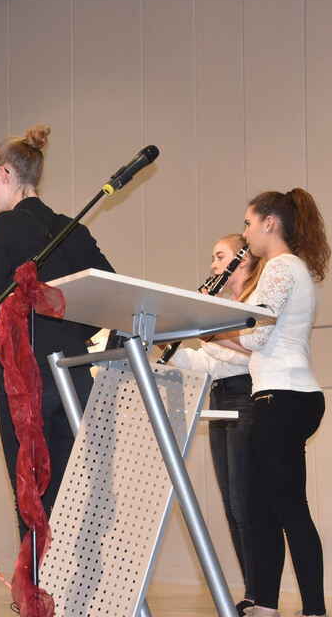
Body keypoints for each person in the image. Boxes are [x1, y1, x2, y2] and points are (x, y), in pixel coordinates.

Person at [0, 124, 113, 538]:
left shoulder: (7, 226)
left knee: (32, 497)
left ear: (7, 175)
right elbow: (108, 297)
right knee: (73, 492)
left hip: (26, 381)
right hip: (74, 377)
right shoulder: (74, 229)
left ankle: (37, 593)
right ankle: (75, 592)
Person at [215, 189, 330, 617]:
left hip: (283, 398)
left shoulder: (280, 267)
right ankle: (264, 602)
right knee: (264, 506)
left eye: (248, 223)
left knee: (288, 508)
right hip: (286, 395)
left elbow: (258, 336)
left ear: (269, 223)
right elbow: (263, 342)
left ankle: (315, 610)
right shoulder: (287, 268)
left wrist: (213, 331)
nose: (245, 233)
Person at [167, 234, 261, 616]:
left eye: (220, 257)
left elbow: (251, 355)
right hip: (220, 397)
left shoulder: (254, 303)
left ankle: (261, 593)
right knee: (230, 504)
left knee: (245, 504)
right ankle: (254, 592)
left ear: (243, 261)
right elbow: (210, 363)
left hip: (246, 398)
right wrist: (169, 347)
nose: (212, 266)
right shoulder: (221, 308)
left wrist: (212, 330)